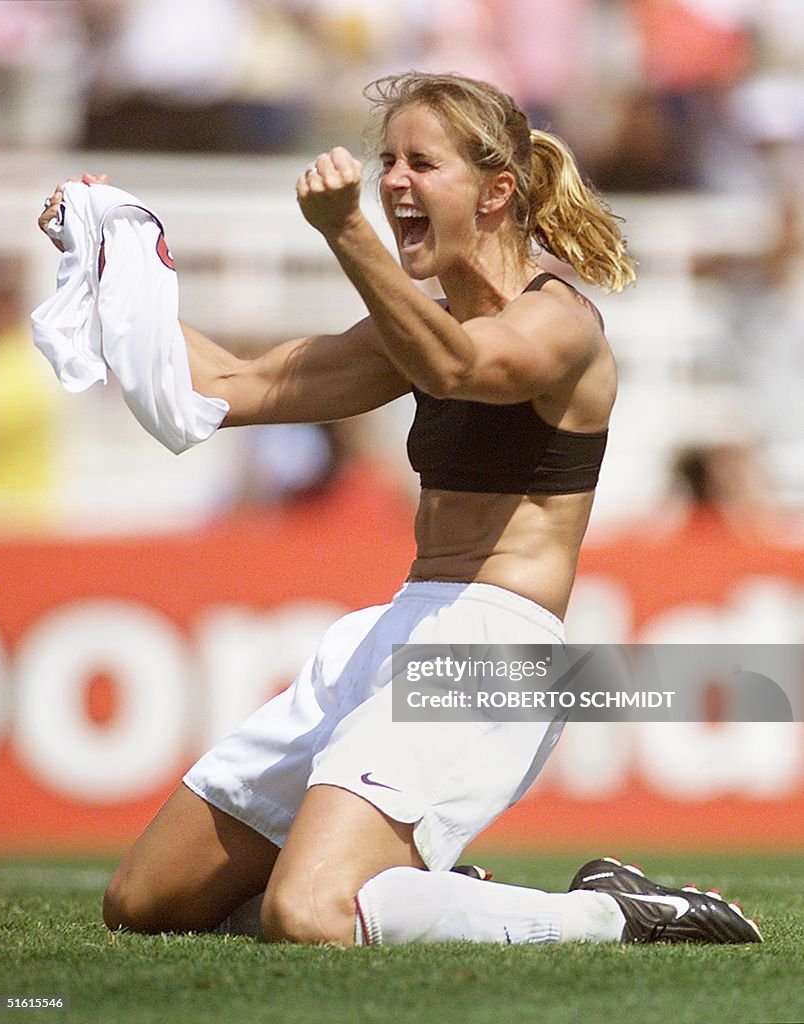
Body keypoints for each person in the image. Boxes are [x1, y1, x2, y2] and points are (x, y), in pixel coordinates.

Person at [38, 71, 760, 947]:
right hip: (393, 635)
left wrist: (345, 233)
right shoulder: (417, 324)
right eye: (388, 161)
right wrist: (114, 261)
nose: (392, 183)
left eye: (421, 163)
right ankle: (418, 895)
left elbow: (462, 368)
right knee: (145, 903)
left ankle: (616, 912)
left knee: (310, 912)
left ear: (498, 191)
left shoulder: (559, 320)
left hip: (493, 652)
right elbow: (230, 384)